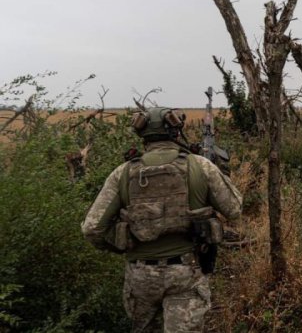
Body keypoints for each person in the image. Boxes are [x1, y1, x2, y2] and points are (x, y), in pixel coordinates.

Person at [81, 107, 242, 332]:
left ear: (142, 135)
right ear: (176, 133)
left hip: (140, 277)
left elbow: (92, 228)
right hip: (185, 272)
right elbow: (234, 208)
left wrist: (120, 245)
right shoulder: (200, 166)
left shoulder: (123, 173)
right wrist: (221, 170)